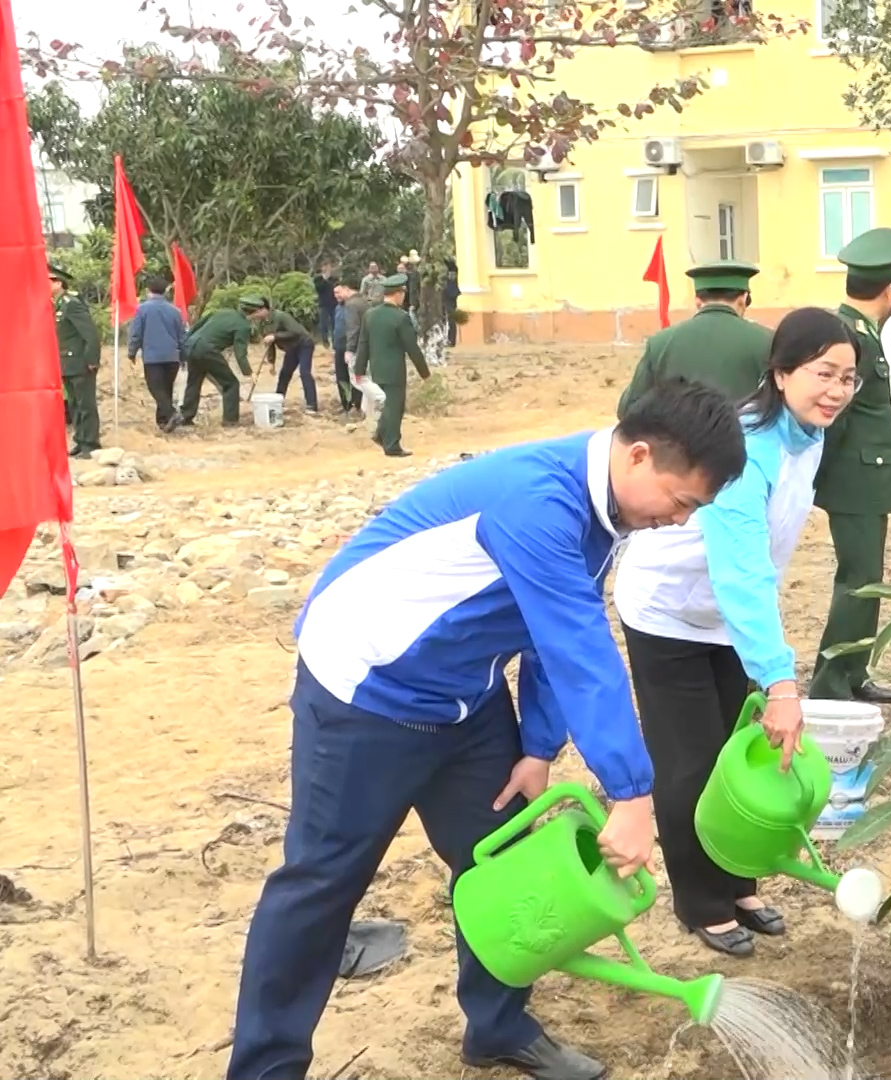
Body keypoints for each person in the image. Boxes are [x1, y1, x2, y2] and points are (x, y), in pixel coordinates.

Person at [226, 378, 749, 1080]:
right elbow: (577, 647)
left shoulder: (606, 509)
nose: (681, 522)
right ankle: (266, 1067)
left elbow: (545, 627)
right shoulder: (537, 501)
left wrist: (537, 746)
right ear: (640, 456)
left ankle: (498, 1025)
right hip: (364, 690)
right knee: (321, 882)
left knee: (499, 861)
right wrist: (631, 794)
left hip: (464, 697)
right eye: (683, 502)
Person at [615, 309, 857, 956]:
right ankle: (699, 901)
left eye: (848, 378)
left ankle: (737, 880)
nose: (836, 390)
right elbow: (740, 566)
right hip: (669, 612)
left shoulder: (810, 437)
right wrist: (781, 680)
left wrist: (764, 659)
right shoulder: (748, 447)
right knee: (690, 761)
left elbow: (753, 575)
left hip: (730, 621)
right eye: (823, 373)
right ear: (781, 373)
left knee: (733, 749)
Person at [810, 228, 891, 706]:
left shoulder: (858, 331)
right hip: (853, 479)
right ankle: (831, 680)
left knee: (868, 579)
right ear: (889, 290)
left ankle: (854, 671)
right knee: (857, 581)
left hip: (865, 477)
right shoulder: (850, 337)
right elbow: (836, 414)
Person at [615, 261, 771, 415]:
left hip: (679, 438)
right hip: (743, 437)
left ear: (697, 301)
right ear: (743, 299)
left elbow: (629, 408)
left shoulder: (660, 343)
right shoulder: (767, 340)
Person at [354, 275, 432, 458]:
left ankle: (381, 434)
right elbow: (412, 348)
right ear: (398, 294)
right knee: (395, 406)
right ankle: (392, 445)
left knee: (388, 405)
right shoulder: (400, 317)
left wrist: (359, 370)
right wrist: (425, 373)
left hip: (377, 368)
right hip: (395, 369)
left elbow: (363, 344)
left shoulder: (370, 314)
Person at [180, 298, 258, 428]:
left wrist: (186, 343)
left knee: (194, 382)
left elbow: (197, 326)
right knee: (231, 383)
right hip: (208, 350)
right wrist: (249, 373)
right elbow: (240, 353)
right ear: (254, 312)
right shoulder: (243, 326)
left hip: (191, 346)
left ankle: (185, 416)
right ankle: (230, 421)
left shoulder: (222, 311)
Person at [51, 265, 101, 459]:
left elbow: (89, 334)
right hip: (66, 364)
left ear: (58, 283)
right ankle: (80, 440)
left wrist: (92, 360)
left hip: (80, 362)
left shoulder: (72, 303)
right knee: (74, 404)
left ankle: (90, 443)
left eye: (48, 281)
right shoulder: (58, 304)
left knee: (85, 404)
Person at [127, 275, 188, 432]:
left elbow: (136, 333)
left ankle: (172, 414)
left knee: (156, 388)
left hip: (153, 357)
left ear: (148, 291)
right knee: (166, 388)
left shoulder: (143, 309)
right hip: (172, 356)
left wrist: (132, 352)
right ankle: (164, 421)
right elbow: (182, 336)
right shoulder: (175, 311)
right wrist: (183, 356)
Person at [261, 301, 320, 418]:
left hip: (304, 344)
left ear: (264, 309)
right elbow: (270, 343)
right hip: (291, 348)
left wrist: (275, 336)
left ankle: (312, 405)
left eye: (256, 311)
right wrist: (271, 362)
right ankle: (278, 401)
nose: (255, 315)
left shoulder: (281, 316)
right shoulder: (264, 323)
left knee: (304, 372)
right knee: (284, 374)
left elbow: (295, 331)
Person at [332, 282, 370, 420]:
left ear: (347, 289)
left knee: (354, 377)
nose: (336, 296)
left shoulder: (354, 304)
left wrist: (350, 349)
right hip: (340, 346)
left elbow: (354, 328)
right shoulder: (339, 307)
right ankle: (346, 405)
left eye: (338, 292)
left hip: (351, 347)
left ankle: (356, 406)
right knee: (341, 377)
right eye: (334, 293)